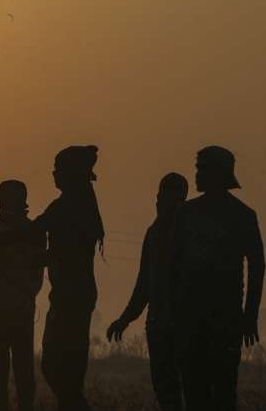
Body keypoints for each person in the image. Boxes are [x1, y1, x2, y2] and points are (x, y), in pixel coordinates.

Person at [170, 146, 265, 411]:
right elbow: (173, 268)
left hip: (225, 320)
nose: (197, 174)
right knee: (195, 392)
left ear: (218, 173)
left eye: (202, 168)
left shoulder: (242, 216)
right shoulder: (185, 214)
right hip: (192, 319)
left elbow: (258, 266)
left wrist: (250, 316)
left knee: (223, 393)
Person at [106, 173, 189, 411]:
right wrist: (124, 319)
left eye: (168, 197)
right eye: (161, 195)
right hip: (159, 325)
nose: (160, 201)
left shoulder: (190, 234)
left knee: (187, 390)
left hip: (184, 326)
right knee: (165, 390)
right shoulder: (153, 234)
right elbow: (144, 285)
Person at [35, 145, 104, 411]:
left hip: (71, 296)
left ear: (70, 174)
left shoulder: (69, 205)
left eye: (58, 170)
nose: (54, 174)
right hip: (74, 295)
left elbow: (41, 233)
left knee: (56, 368)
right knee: (65, 372)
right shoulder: (81, 202)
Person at [0, 180, 44, 411]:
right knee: (2, 373)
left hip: (15, 310)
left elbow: (35, 277)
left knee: (21, 372)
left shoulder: (31, 232)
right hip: (3, 310)